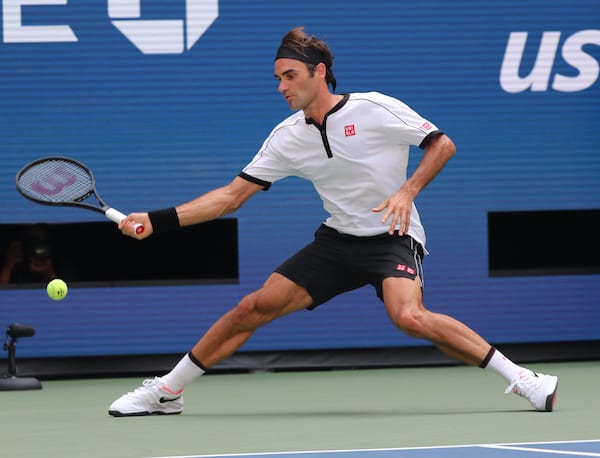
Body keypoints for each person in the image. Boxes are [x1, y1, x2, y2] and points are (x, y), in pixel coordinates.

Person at [109, 26, 558, 417]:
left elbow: (442, 145)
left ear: (319, 71)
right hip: (337, 242)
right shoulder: (287, 137)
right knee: (252, 307)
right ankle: (167, 391)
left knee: (409, 317)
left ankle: (523, 378)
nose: (282, 87)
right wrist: (156, 220)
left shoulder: (374, 108)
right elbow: (231, 197)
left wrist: (406, 192)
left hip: (392, 238)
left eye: (290, 76)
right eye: (278, 79)